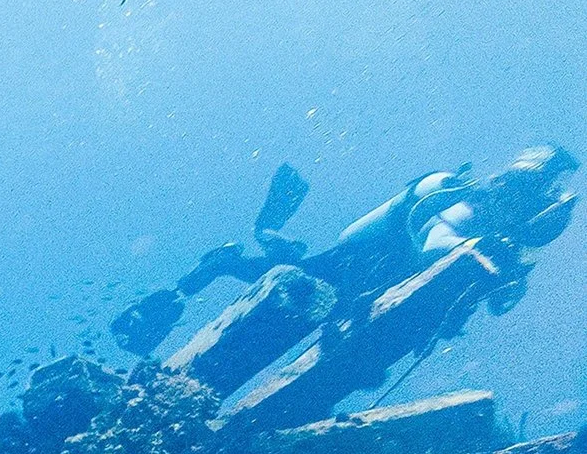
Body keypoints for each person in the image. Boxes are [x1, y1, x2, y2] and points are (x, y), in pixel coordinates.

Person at [112, 145, 577, 356]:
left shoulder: (505, 235)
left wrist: (512, 271)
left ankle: (266, 246)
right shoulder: (470, 202)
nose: (534, 205)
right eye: (539, 192)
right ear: (519, 184)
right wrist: (478, 248)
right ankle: (232, 256)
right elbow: (438, 243)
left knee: (305, 295)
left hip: (383, 280)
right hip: (363, 262)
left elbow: (499, 304)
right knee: (291, 279)